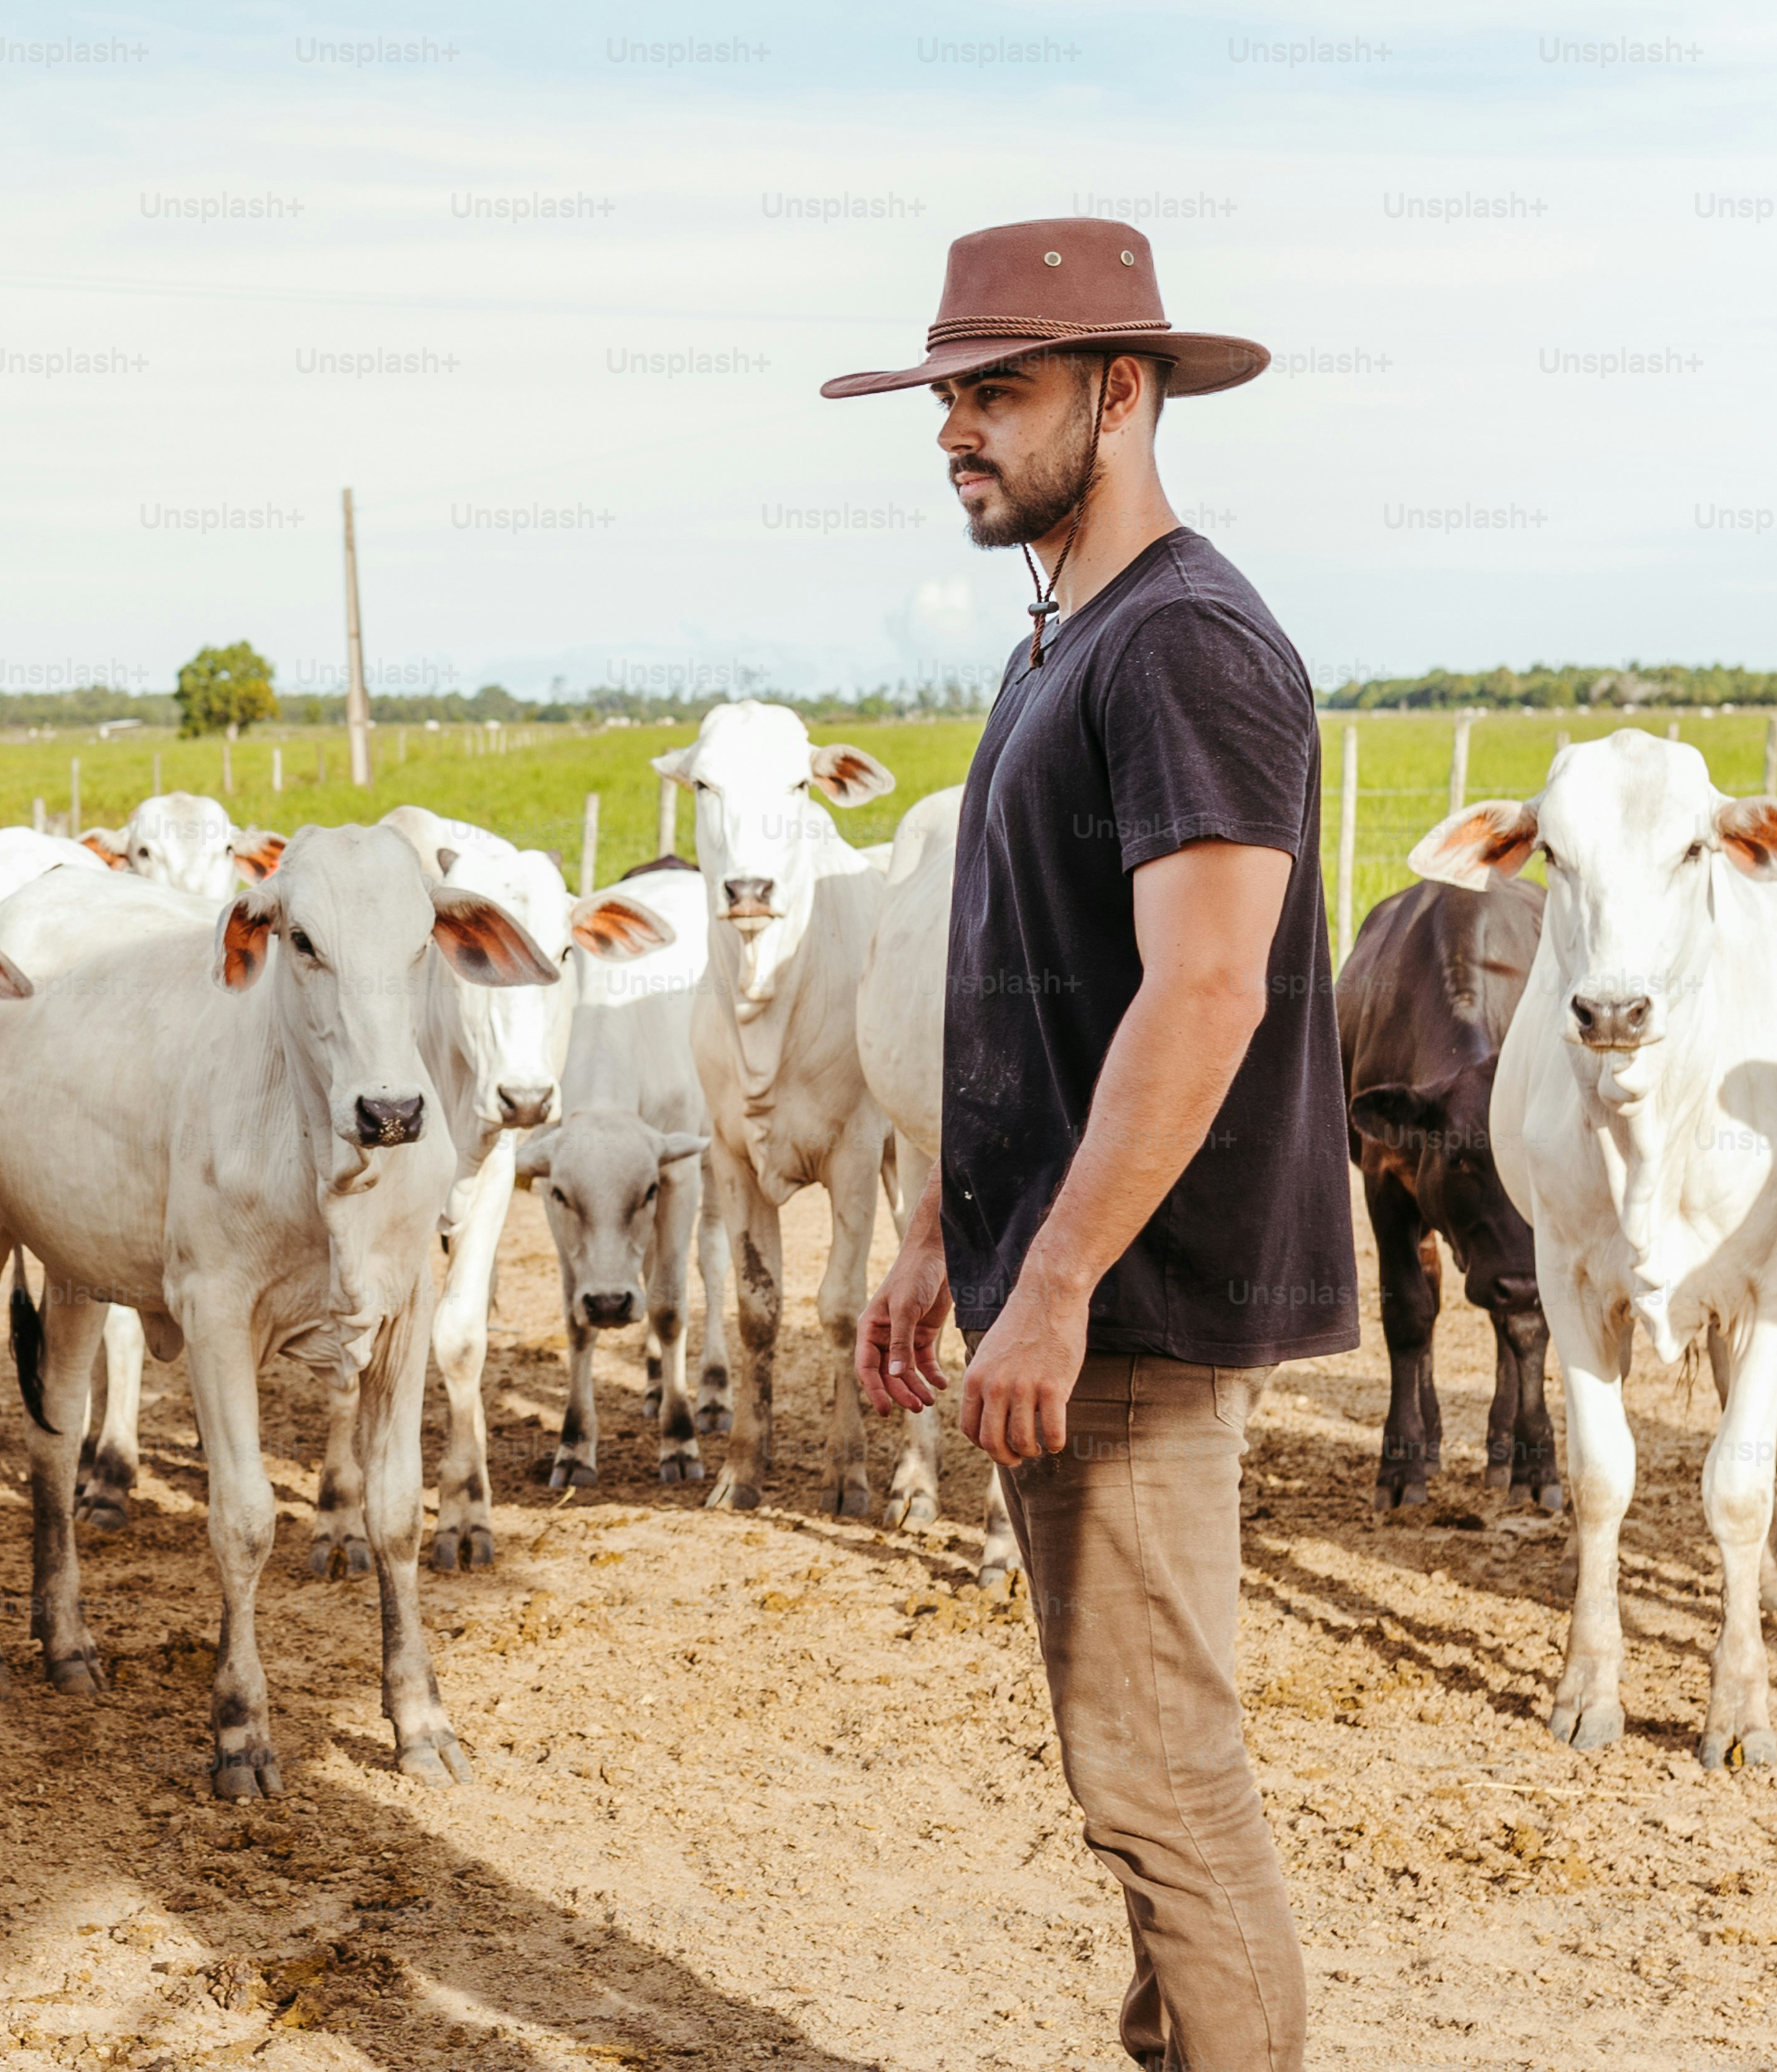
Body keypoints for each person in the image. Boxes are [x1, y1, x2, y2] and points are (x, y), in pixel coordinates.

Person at [836, 219, 1353, 2072]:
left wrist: (1048, 1284)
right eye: (948, 396)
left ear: (1122, 394)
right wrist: (934, 1237)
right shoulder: (1069, 637)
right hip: (1070, 1283)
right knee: (1135, 1771)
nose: (955, 431)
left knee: (1160, 1783)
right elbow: (1030, 993)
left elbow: (1204, 991)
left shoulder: (1189, 644)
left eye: (999, 392)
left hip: (1135, 1305)